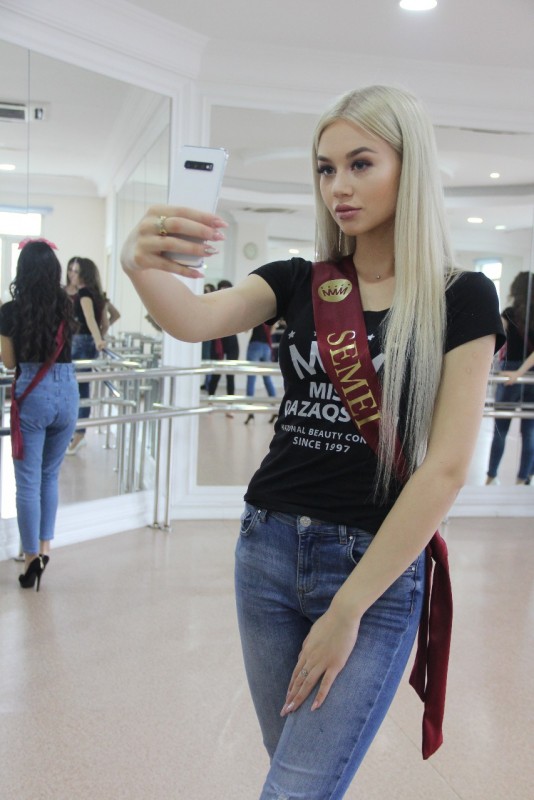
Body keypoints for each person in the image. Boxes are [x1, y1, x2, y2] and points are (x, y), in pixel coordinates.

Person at [120, 85, 504, 798]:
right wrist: (136, 262)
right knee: (291, 769)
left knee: (296, 788)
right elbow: (192, 320)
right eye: (326, 169)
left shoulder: (462, 297)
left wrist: (348, 608)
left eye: (361, 164)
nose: (338, 187)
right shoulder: (299, 280)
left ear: (410, 167)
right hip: (265, 549)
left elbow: (446, 469)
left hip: (372, 567)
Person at [0, 240, 79, 590]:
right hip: (68, 392)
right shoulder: (66, 305)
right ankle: (46, 548)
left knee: (28, 482)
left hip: (33, 394)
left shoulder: (10, 311)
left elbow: (9, 362)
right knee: (50, 476)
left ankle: (31, 556)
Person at [486, 271, 534, 485]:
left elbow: (494, 337)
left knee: (500, 430)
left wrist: (516, 373)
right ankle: (523, 479)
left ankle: (491, 477)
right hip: (528, 375)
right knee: (529, 433)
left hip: (510, 375)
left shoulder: (509, 313)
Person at [67, 257, 106, 454]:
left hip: (81, 341)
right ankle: (77, 433)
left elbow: (90, 319)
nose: (71, 275)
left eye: (76, 271)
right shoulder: (98, 294)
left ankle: (79, 434)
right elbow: (105, 322)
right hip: (87, 342)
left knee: (79, 389)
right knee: (81, 388)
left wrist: (98, 339)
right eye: (71, 270)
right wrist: (98, 339)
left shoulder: (83, 293)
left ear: (84, 274)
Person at [206, 279, 239, 417]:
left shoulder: (235, 306)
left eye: (227, 289)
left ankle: (229, 406)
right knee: (216, 374)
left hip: (231, 343)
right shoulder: (214, 305)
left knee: (230, 376)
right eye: (222, 289)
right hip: (218, 342)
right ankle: (210, 402)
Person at [243, 323, 277, 425]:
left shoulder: (256, 316)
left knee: (251, 380)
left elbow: (246, 329)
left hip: (254, 345)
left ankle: (250, 412)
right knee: (267, 379)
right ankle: (274, 409)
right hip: (266, 347)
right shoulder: (270, 317)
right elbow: (272, 331)